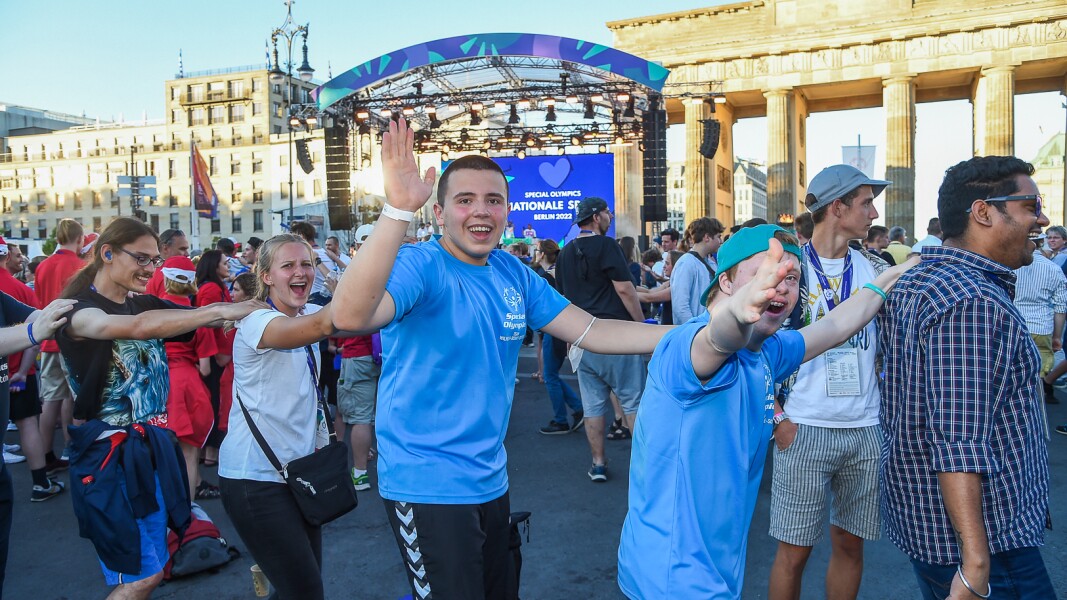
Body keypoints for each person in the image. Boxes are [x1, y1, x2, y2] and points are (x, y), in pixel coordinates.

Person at [331, 118, 670, 600]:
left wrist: (684, 335)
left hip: (489, 480)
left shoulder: (512, 271)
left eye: (493, 200)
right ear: (440, 212)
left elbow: (591, 329)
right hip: (426, 484)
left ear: (508, 211)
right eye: (464, 200)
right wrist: (396, 210)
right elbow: (349, 314)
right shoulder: (420, 265)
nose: (481, 211)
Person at [618, 224, 915, 599]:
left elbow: (836, 325)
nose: (780, 286)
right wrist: (737, 314)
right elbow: (716, 340)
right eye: (763, 274)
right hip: (670, 579)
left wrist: (891, 275)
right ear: (725, 282)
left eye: (791, 277)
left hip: (719, 571)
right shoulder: (686, 346)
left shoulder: (767, 351)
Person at [880, 155, 1055, 599]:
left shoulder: (926, 281)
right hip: (989, 544)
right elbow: (958, 441)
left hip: (945, 533)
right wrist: (977, 564)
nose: (1043, 218)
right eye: (1031, 205)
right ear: (983, 212)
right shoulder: (971, 301)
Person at [56, 217, 256, 600]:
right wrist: (225, 310)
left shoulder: (144, 301)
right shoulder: (77, 312)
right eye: (143, 259)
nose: (151, 270)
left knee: (154, 563)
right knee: (139, 577)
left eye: (154, 261)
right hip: (107, 458)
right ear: (107, 253)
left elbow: (183, 318)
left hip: (151, 449)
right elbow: (141, 327)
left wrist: (255, 307)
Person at [767, 164, 892, 600]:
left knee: (850, 544)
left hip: (864, 429)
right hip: (803, 427)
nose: (874, 213)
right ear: (837, 208)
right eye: (866, 203)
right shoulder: (787, 269)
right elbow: (754, 351)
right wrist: (778, 419)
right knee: (794, 552)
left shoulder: (878, 268)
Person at [218, 233, 346, 600]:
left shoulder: (305, 312)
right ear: (267, 275)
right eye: (287, 265)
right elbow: (326, 324)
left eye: (306, 264)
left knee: (298, 587)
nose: (300, 272)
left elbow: (349, 320)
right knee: (304, 591)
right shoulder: (259, 321)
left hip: (299, 474)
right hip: (255, 479)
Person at [555, 197, 647, 482]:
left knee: (594, 405)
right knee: (632, 401)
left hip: (581, 338)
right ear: (596, 217)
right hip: (615, 335)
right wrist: (642, 326)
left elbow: (563, 300)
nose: (610, 217)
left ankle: (598, 464)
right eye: (607, 213)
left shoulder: (565, 252)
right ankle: (644, 468)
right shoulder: (608, 246)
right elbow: (625, 290)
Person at [0, 237, 63, 501]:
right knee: (28, 424)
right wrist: (23, 370)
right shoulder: (16, 287)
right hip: (20, 372)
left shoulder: (9, 293)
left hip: (15, 372)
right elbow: (36, 332)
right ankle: (40, 483)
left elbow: (40, 321)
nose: (20, 259)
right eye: (16, 254)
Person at [158, 256, 219, 501]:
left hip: (157, 384)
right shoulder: (198, 316)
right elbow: (206, 368)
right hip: (187, 385)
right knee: (189, 454)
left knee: (157, 453)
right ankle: (188, 511)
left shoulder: (153, 312)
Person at [35, 217, 85, 474]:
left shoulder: (43, 266)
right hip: (73, 341)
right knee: (78, 399)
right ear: (80, 239)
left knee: (51, 400)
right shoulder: (80, 266)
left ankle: (44, 458)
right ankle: (76, 451)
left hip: (47, 340)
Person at [534, 239, 584, 435]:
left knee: (550, 376)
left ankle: (561, 419)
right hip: (561, 331)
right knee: (551, 375)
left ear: (543, 253)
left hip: (554, 331)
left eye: (537, 250)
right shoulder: (557, 273)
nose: (535, 253)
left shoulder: (547, 277)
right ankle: (577, 409)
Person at [1012, 244, 1067, 405]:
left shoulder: (1012, 265)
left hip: (1017, 323)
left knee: (1015, 370)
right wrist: (1057, 336)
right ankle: (1036, 405)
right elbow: (1061, 307)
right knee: (1039, 373)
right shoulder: (1053, 269)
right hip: (1042, 326)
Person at [194, 250, 233, 475]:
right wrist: (218, 353)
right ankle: (210, 451)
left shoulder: (215, 286)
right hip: (216, 354)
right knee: (215, 401)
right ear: (214, 266)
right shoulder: (211, 288)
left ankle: (206, 451)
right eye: (225, 262)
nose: (228, 265)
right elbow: (208, 322)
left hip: (217, 352)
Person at [671, 217, 724, 324]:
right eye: (719, 237)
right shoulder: (686, 263)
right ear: (707, 237)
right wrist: (695, 329)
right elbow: (680, 306)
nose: (721, 241)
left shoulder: (711, 263)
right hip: (694, 333)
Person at [145, 229, 190, 297]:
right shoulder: (169, 276)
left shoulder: (152, 269)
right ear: (165, 248)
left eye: (186, 249)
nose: (187, 254)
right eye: (182, 249)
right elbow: (173, 306)